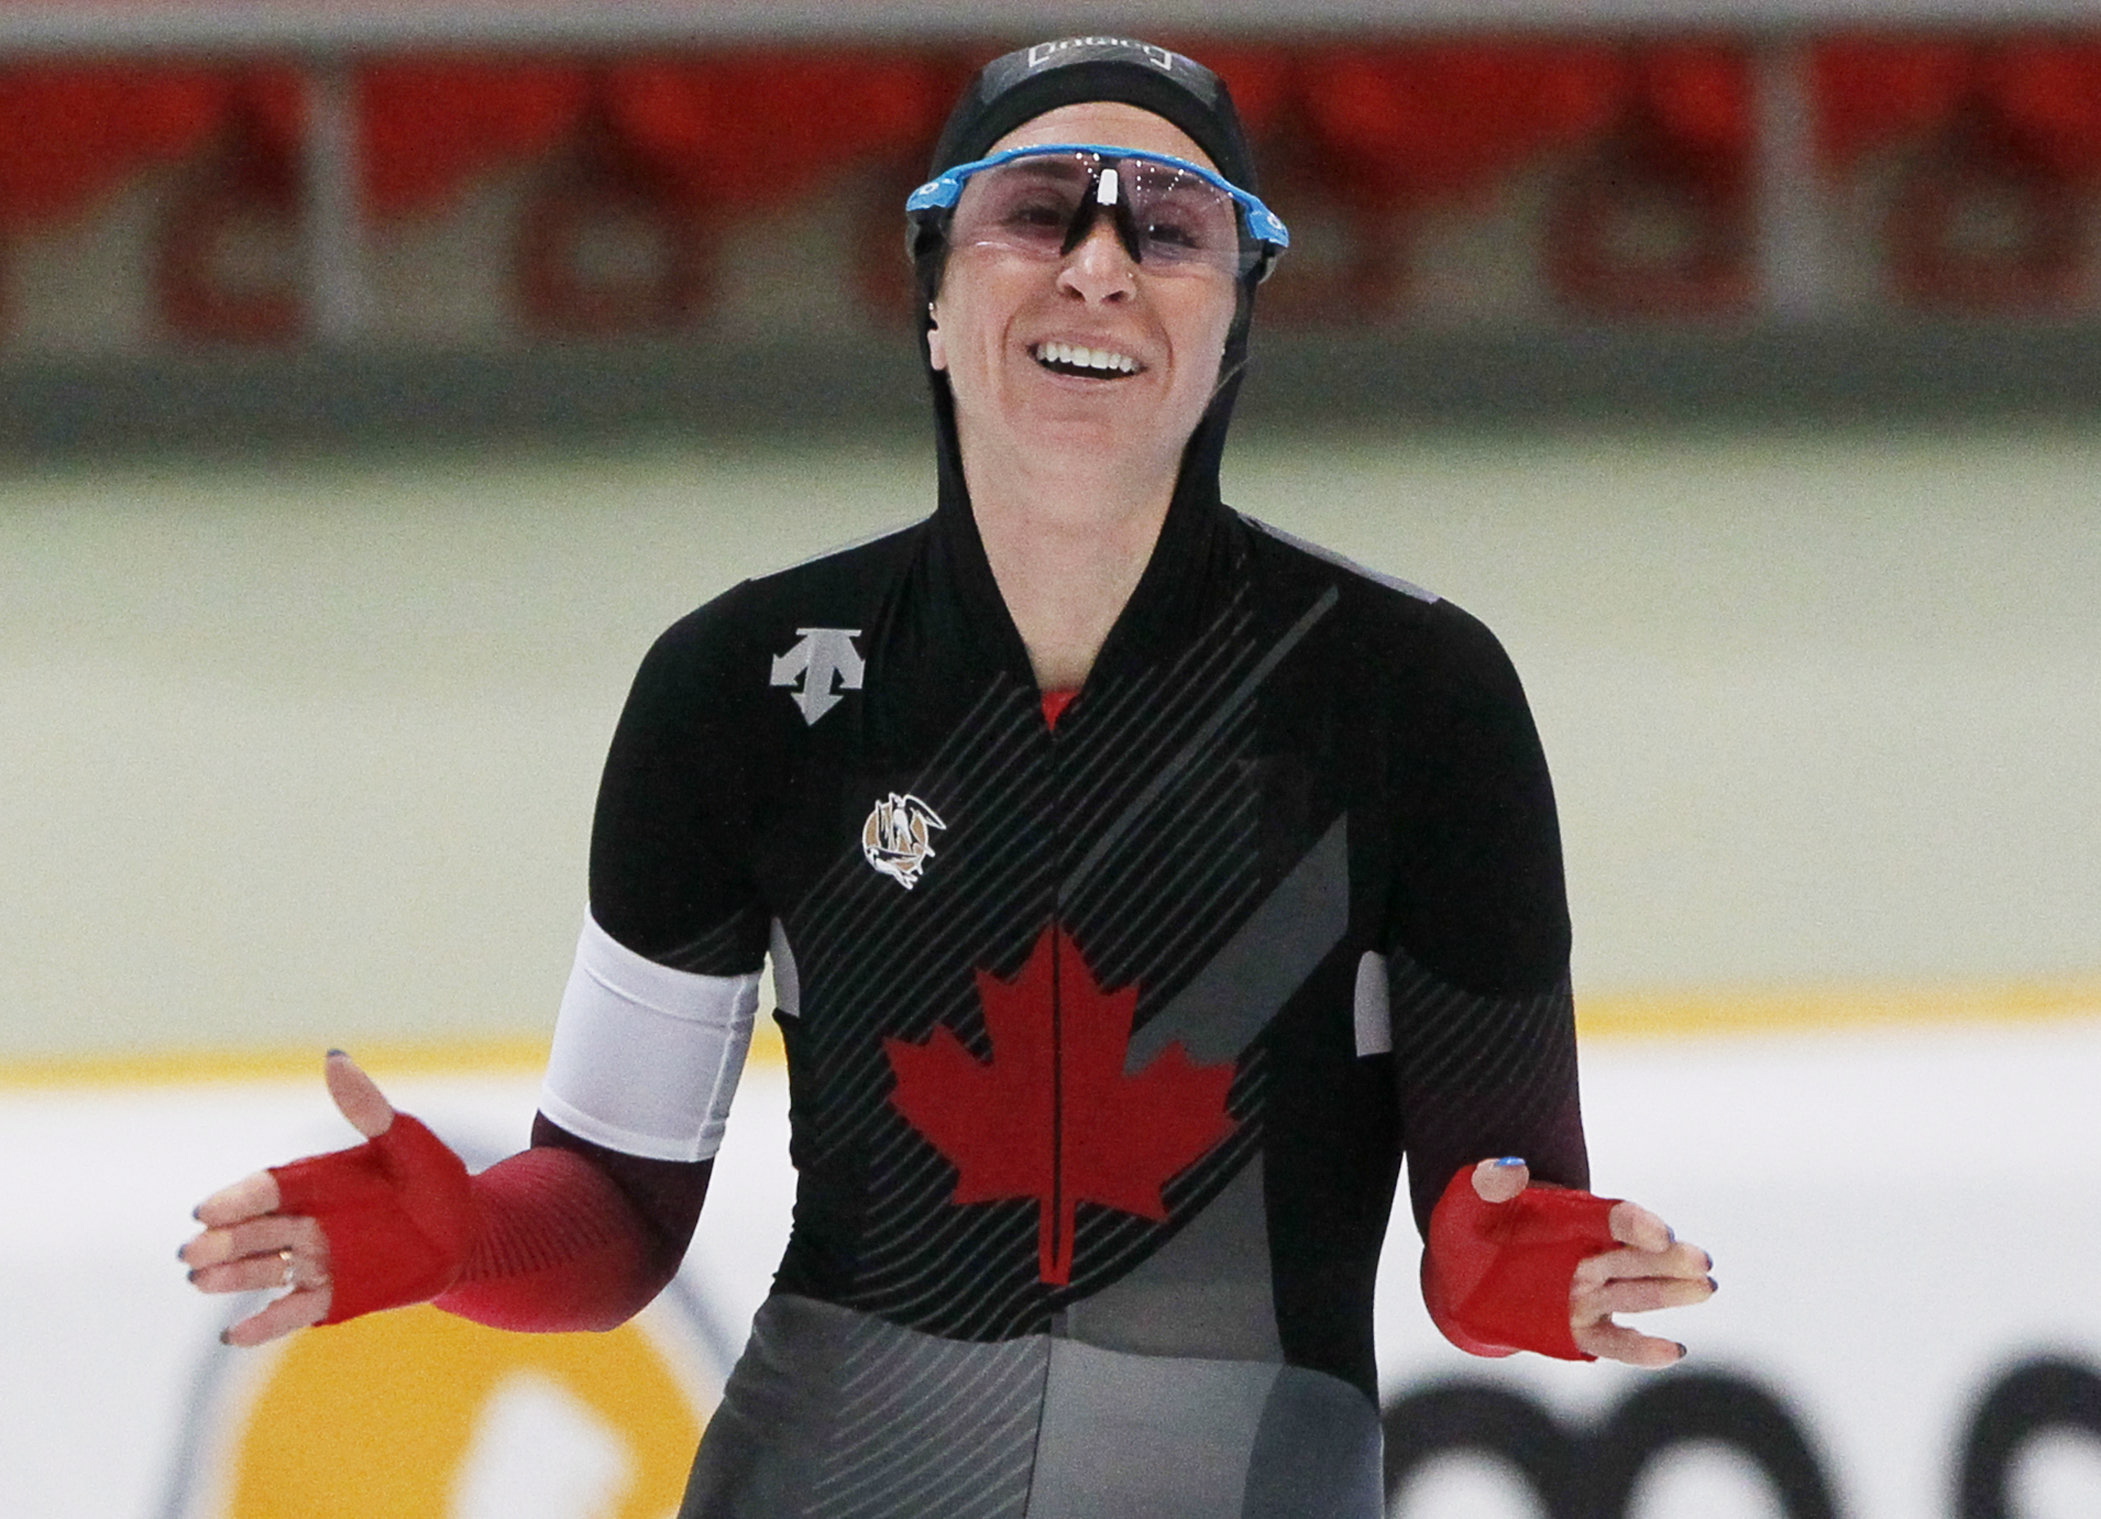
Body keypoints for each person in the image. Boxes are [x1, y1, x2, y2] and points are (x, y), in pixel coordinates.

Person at [181, 37, 1715, 1518]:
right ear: (929, 296)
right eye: (1038, 211)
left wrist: (1531, 1273)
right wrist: (460, 1234)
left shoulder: (1409, 696)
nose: (1096, 264)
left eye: (1169, 229)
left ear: (1238, 317)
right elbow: (615, 1215)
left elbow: (1490, 1218)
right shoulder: (739, 689)